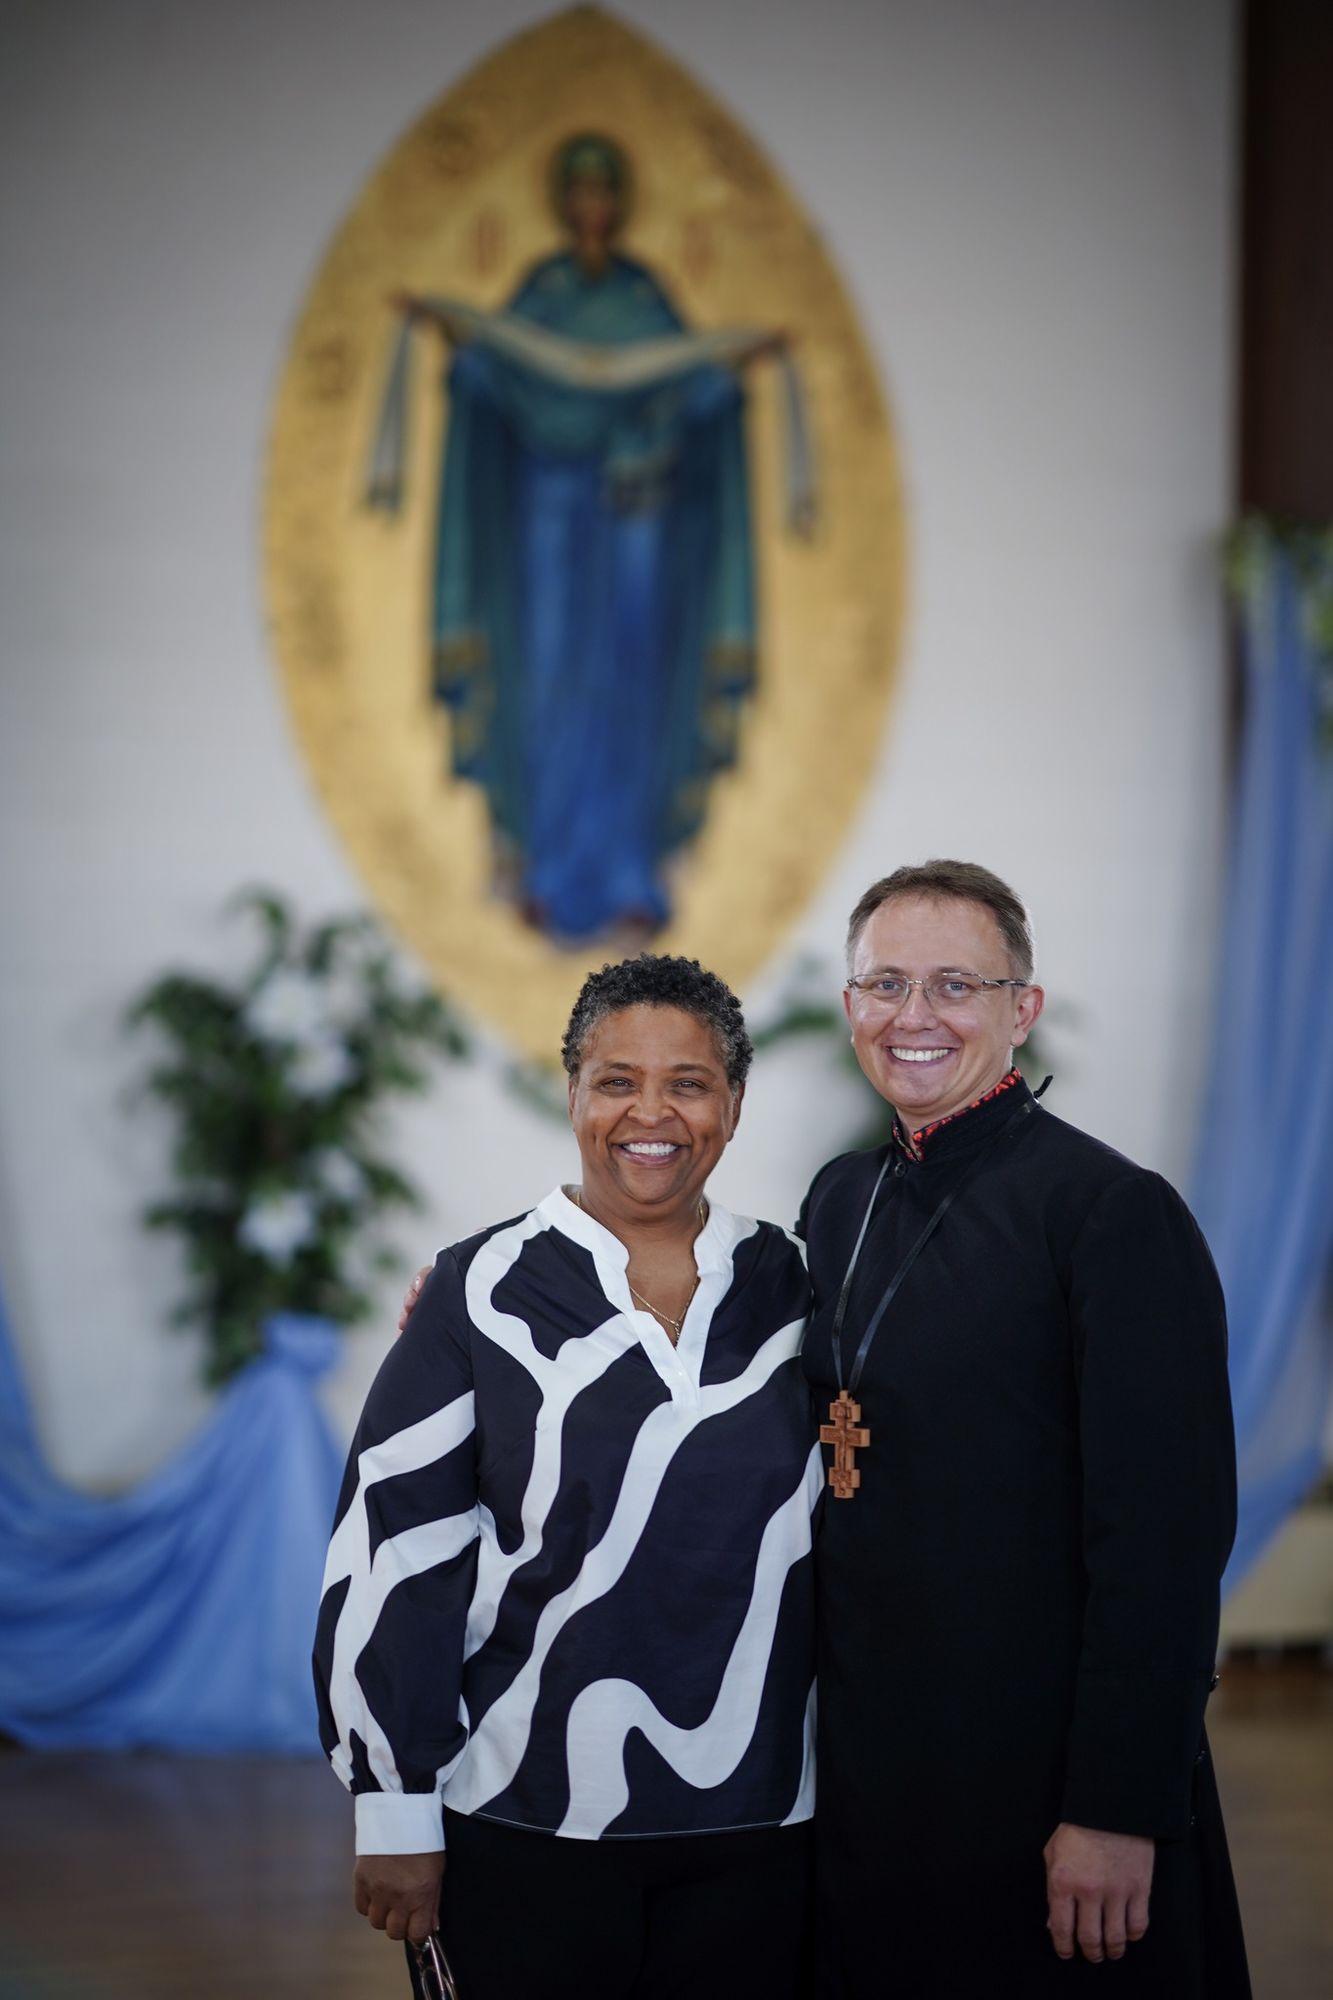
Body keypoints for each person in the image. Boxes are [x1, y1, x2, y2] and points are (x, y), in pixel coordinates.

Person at [314, 954, 819, 2000]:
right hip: (522, 1810)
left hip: (768, 1817)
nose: (651, 1112)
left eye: (688, 1082)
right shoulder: (479, 1290)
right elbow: (398, 1542)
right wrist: (394, 1805)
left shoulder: (799, 1284)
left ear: (733, 1104)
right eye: (615, 1079)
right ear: (573, 1093)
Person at [801, 859, 1250, 1998]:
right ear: (850, 1005)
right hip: (872, 1766)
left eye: (955, 984)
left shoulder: (1108, 1211)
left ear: (1022, 1009)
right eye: (886, 984)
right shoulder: (840, 1198)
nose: (914, 1015)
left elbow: (1164, 1542)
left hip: (1041, 1771)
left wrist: (1117, 1806)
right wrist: (474, 1295)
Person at [368, 132, 806, 943]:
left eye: (604, 191)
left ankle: (630, 866)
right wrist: (463, 345)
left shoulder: (644, 299)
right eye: (579, 191)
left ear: (622, 202)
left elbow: (684, 388)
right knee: (545, 685)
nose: (591, 207)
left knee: (632, 688)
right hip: (547, 520)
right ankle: (543, 861)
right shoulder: (541, 297)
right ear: (561, 201)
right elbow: (501, 374)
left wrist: (728, 368)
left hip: (635, 526)